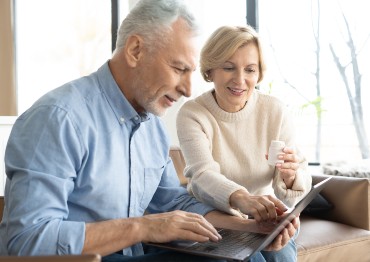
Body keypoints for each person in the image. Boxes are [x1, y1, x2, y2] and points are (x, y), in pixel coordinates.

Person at [0, 1, 298, 261]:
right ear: (135, 50)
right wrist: (142, 226)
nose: (187, 90)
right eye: (179, 69)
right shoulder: (58, 119)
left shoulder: (151, 127)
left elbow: (173, 202)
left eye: (191, 73)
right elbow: (25, 241)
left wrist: (250, 227)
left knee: (252, 253)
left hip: (135, 254)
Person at [176, 25, 313, 261]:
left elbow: (292, 195)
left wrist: (291, 178)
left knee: (280, 252)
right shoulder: (193, 114)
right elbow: (202, 175)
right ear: (210, 71)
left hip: (268, 215)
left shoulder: (275, 111)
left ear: (259, 74)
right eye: (229, 68)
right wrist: (244, 199)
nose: (240, 80)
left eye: (250, 70)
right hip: (218, 217)